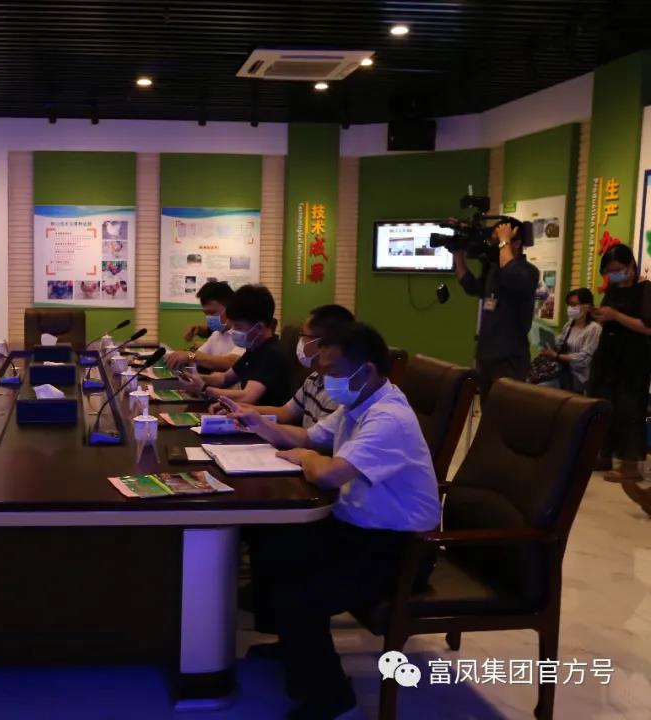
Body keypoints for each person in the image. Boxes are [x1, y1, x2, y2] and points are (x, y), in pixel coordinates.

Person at [234, 322, 440, 719]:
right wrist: (260, 424)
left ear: (367, 370)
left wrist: (307, 459)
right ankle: (293, 646)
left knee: (302, 593)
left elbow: (328, 473)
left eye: (333, 372)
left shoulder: (388, 418)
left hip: (400, 549)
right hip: (357, 528)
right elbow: (309, 438)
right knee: (273, 545)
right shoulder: (357, 404)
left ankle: (331, 698)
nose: (326, 381)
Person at [220, 304, 354, 433]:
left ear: (324, 343)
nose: (299, 341)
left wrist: (260, 425)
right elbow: (286, 413)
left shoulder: (339, 391)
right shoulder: (313, 378)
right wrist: (239, 408)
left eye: (303, 336)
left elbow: (314, 439)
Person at [586, 244, 651, 486]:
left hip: (633, 358)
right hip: (608, 355)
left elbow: (647, 326)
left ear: (631, 265)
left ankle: (630, 466)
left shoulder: (645, 289)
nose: (614, 275)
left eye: (617, 269)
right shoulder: (613, 290)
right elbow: (609, 317)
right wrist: (599, 315)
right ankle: (604, 455)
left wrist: (616, 316)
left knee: (629, 409)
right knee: (605, 404)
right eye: (609, 271)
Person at [454, 219, 540, 398]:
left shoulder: (528, 272)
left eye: (498, 241)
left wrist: (504, 240)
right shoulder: (493, 271)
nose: (494, 246)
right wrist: (458, 255)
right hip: (486, 355)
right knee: (487, 409)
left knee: (506, 411)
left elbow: (511, 274)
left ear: (516, 243)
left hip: (509, 358)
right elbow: (472, 287)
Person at [176, 284, 292, 407]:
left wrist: (204, 389)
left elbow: (247, 396)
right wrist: (196, 379)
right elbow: (224, 378)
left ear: (259, 327)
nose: (234, 331)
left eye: (238, 327)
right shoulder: (253, 350)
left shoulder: (271, 354)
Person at [164, 281, 244, 372]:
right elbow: (197, 355)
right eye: (206, 313)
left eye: (212, 312)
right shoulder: (217, 334)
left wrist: (189, 356)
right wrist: (178, 356)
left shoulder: (244, 335)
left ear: (230, 309)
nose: (208, 317)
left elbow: (232, 362)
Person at [537, 288, 601, 393]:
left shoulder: (594, 329)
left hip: (580, 376)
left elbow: (584, 359)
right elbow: (559, 341)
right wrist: (547, 345)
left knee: (542, 388)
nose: (571, 308)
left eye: (574, 304)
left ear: (587, 306)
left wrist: (556, 356)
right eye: (570, 305)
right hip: (562, 369)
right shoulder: (569, 325)